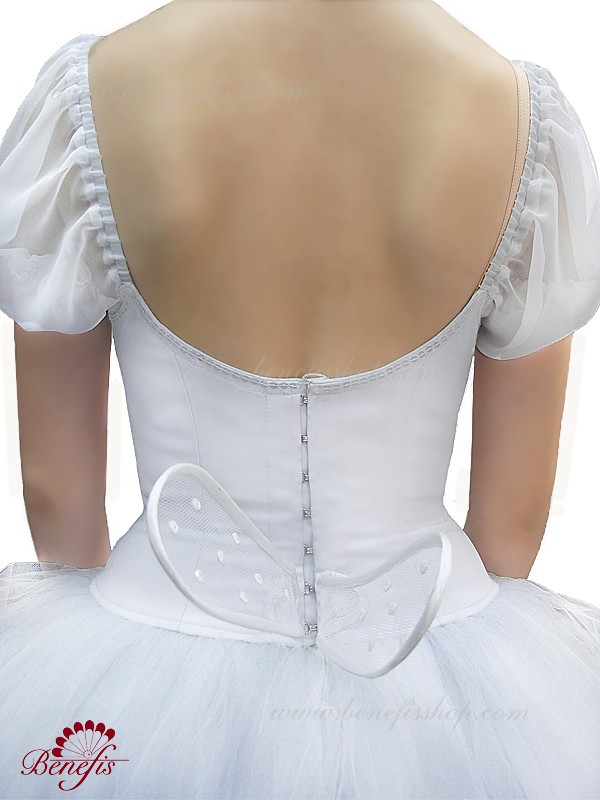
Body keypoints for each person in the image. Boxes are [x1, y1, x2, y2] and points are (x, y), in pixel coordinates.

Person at [1, 1, 599, 797]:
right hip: (430, 667)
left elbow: (56, 492)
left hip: (155, 651)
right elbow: (514, 518)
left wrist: (103, 677)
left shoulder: (94, 95)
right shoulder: (518, 112)